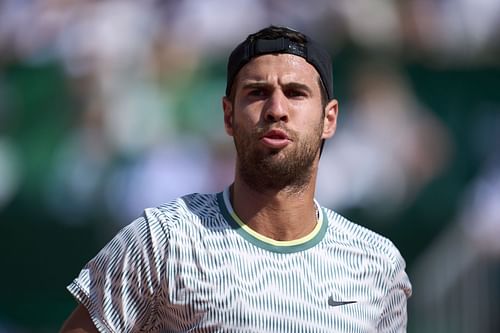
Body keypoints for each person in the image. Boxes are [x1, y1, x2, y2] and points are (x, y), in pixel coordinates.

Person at [60, 25, 412, 333]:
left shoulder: (377, 265)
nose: (276, 109)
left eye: (295, 93)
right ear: (228, 116)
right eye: (257, 92)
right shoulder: (164, 239)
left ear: (329, 119)